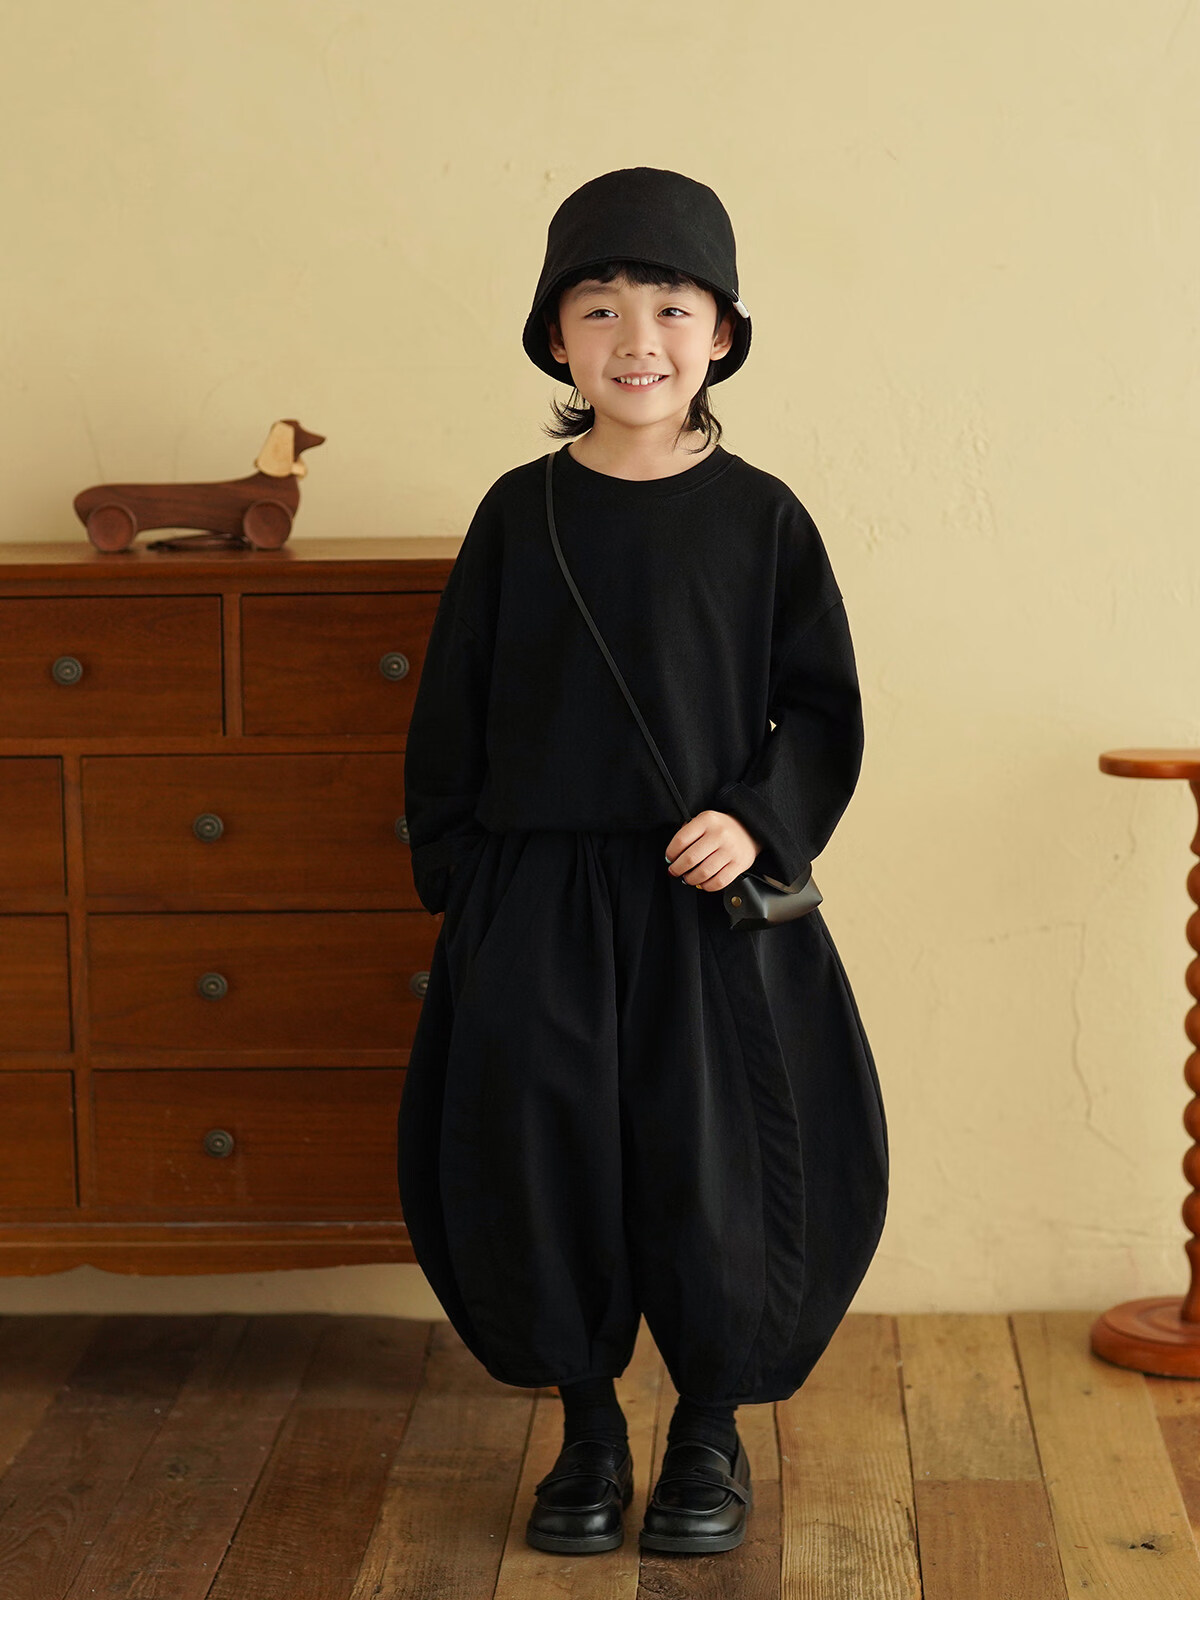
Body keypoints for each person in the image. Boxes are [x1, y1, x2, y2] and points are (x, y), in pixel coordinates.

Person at [398, 166, 888, 1558]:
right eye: (600, 307)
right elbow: (450, 713)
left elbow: (822, 710)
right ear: (556, 339)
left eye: (672, 308)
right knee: (545, 1163)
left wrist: (758, 818)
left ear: (720, 336)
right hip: (538, 902)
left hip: (704, 906)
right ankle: (591, 1433)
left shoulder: (763, 518)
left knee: (715, 1167)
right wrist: (469, 888)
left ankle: (710, 1433)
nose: (637, 339)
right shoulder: (518, 513)